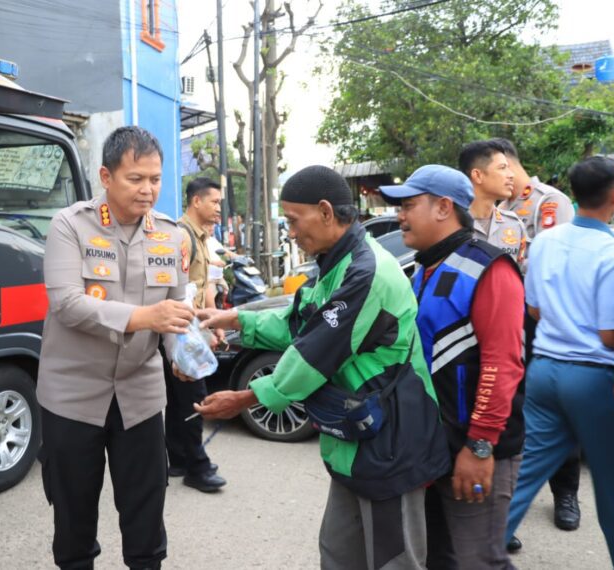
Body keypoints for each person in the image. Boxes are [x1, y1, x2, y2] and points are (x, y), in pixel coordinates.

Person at [196, 165, 450, 570]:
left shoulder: (366, 273)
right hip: (354, 439)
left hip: (391, 445)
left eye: (294, 221)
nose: (291, 233)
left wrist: (247, 398)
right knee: (338, 555)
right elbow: (302, 321)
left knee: (393, 562)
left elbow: (313, 353)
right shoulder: (337, 261)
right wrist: (237, 320)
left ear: (327, 211)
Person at [36, 126, 194, 570]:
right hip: (72, 396)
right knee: (73, 515)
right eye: (135, 179)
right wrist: (146, 318)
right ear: (106, 176)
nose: (148, 190)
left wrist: (183, 351)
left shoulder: (171, 235)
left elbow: (175, 310)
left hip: (140, 397)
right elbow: (66, 303)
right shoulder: (69, 225)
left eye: (156, 179)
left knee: (146, 512)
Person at [380, 165, 525, 569]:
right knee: (440, 557)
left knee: (478, 559)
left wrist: (479, 446)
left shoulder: (489, 268)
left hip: (474, 447)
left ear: (444, 207)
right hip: (433, 447)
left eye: (409, 205)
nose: (400, 216)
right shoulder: (424, 268)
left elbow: (503, 365)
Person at [504, 157, 614, 570]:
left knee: (520, 478)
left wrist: (566, 318)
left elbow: (533, 310)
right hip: (595, 381)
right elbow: (610, 336)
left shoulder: (545, 241)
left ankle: (472, 553)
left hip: (545, 371)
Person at [491, 138, 581, 549]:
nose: (503, 177)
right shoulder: (494, 210)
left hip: (542, 323)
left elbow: (553, 262)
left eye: (502, 168)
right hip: (502, 320)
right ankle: (504, 516)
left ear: (508, 164)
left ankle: (566, 495)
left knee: (555, 412)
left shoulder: (550, 202)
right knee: (510, 413)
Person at [164, 177, 226, 492]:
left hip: (189, 327)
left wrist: (212, 326)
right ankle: (197, 468)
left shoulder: (200, 237)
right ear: (196, 201)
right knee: (195, 398)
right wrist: (186, 341)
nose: (219, 208)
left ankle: (176, 459)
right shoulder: (182, 236)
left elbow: (204, 289)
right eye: (214, 202)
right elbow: (178, 292)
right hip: (180, 329)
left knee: (178, 400)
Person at [458, 141, 527, 266]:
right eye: (502, 168)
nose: (511, 175)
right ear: (477, 175)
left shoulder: (513, 224)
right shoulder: (451, 226)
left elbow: (521, 275)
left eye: (509, 168)